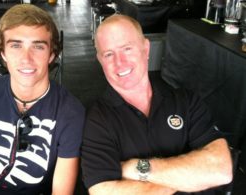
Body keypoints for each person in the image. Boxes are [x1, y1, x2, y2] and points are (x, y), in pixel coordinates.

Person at [81, 14, 233, 195]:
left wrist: (137, 168)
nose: (119, 62)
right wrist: (191, 177)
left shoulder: (185, 100)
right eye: (108, 54)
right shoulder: (96, 118)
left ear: (146, 49)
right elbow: (103, 191)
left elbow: (221, 170)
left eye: (127, 49)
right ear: (100, 60)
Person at [0, 4, 85, 195]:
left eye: (38, 46)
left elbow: (61, 190)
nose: (27, 59)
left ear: (52, 54)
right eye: (16, 45)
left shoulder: (70, 111)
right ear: (3, 53)